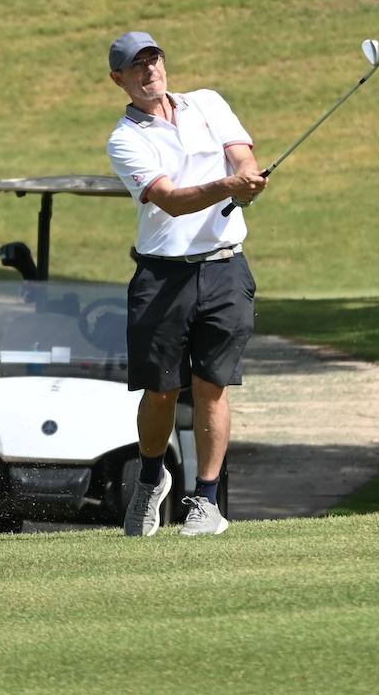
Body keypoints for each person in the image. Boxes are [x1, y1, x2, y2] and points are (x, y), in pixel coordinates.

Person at [104, 31, 266, 538]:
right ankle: (152, 481)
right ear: (120, 80)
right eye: (137, 66)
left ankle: (207, 500)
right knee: (160, 391)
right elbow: (170, 200)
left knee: (212, 387)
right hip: (163, 274)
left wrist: (248, 178)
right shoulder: (125, 139)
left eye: (154, 60)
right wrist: (227, 186)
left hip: (225, 268)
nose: (150, 71)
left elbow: (240, 154)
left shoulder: (207, 103)